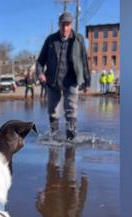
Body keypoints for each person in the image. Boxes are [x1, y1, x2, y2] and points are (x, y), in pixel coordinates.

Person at [36, 11, 90, 141]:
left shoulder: (78, 39)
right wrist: (40, 73)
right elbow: (40, 61)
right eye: (62, 25)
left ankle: (71, 138)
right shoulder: (50, 40)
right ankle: (54, 137)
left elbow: (84, 60)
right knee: (53, 110)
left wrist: (87, 81)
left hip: (72, 80)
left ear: (71, 25)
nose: (65, 28)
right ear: (58, 25)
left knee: (71, 109)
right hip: (53, 81)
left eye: (68, 25)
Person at [36, 146, 88, 217]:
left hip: (53, 184)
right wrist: (84, 185)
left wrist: (40, 195)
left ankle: (54, 134)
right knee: (70, 160)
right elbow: (80, 204)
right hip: (70, 185)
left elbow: (40, 207)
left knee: (53, 158)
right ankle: (71, 137)